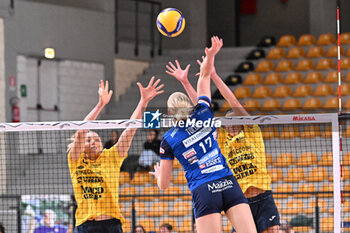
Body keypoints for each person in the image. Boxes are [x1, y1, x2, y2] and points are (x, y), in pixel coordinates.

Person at [151, 36, 256, 233]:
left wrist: (158, 176)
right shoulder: (203, 113)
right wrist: (211, 55)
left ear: (171, 114)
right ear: (189, 106)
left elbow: (164, 185)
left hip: (204, 190)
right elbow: (204, 77)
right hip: (228, 183)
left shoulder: (169, 140)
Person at [167, 51, 280, 233]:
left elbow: (232, 100)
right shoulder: (221, 139)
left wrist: (213, 75)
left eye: (234, 119)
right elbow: (200, 109)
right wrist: (185, 82)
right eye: (228, 122)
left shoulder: (252, 132)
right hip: (239, 201)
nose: (232, 124)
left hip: (263, 197)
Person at [68, 78, 163, 233]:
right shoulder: (76, 160)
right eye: (89, 140)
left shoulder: (111, 156)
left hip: (111, 224)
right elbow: (80, 132)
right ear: (82, 146)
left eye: (97, 139)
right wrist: (100, 105)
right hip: (86, 225)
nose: (94, 142)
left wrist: (143, 103)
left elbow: (130, 130)